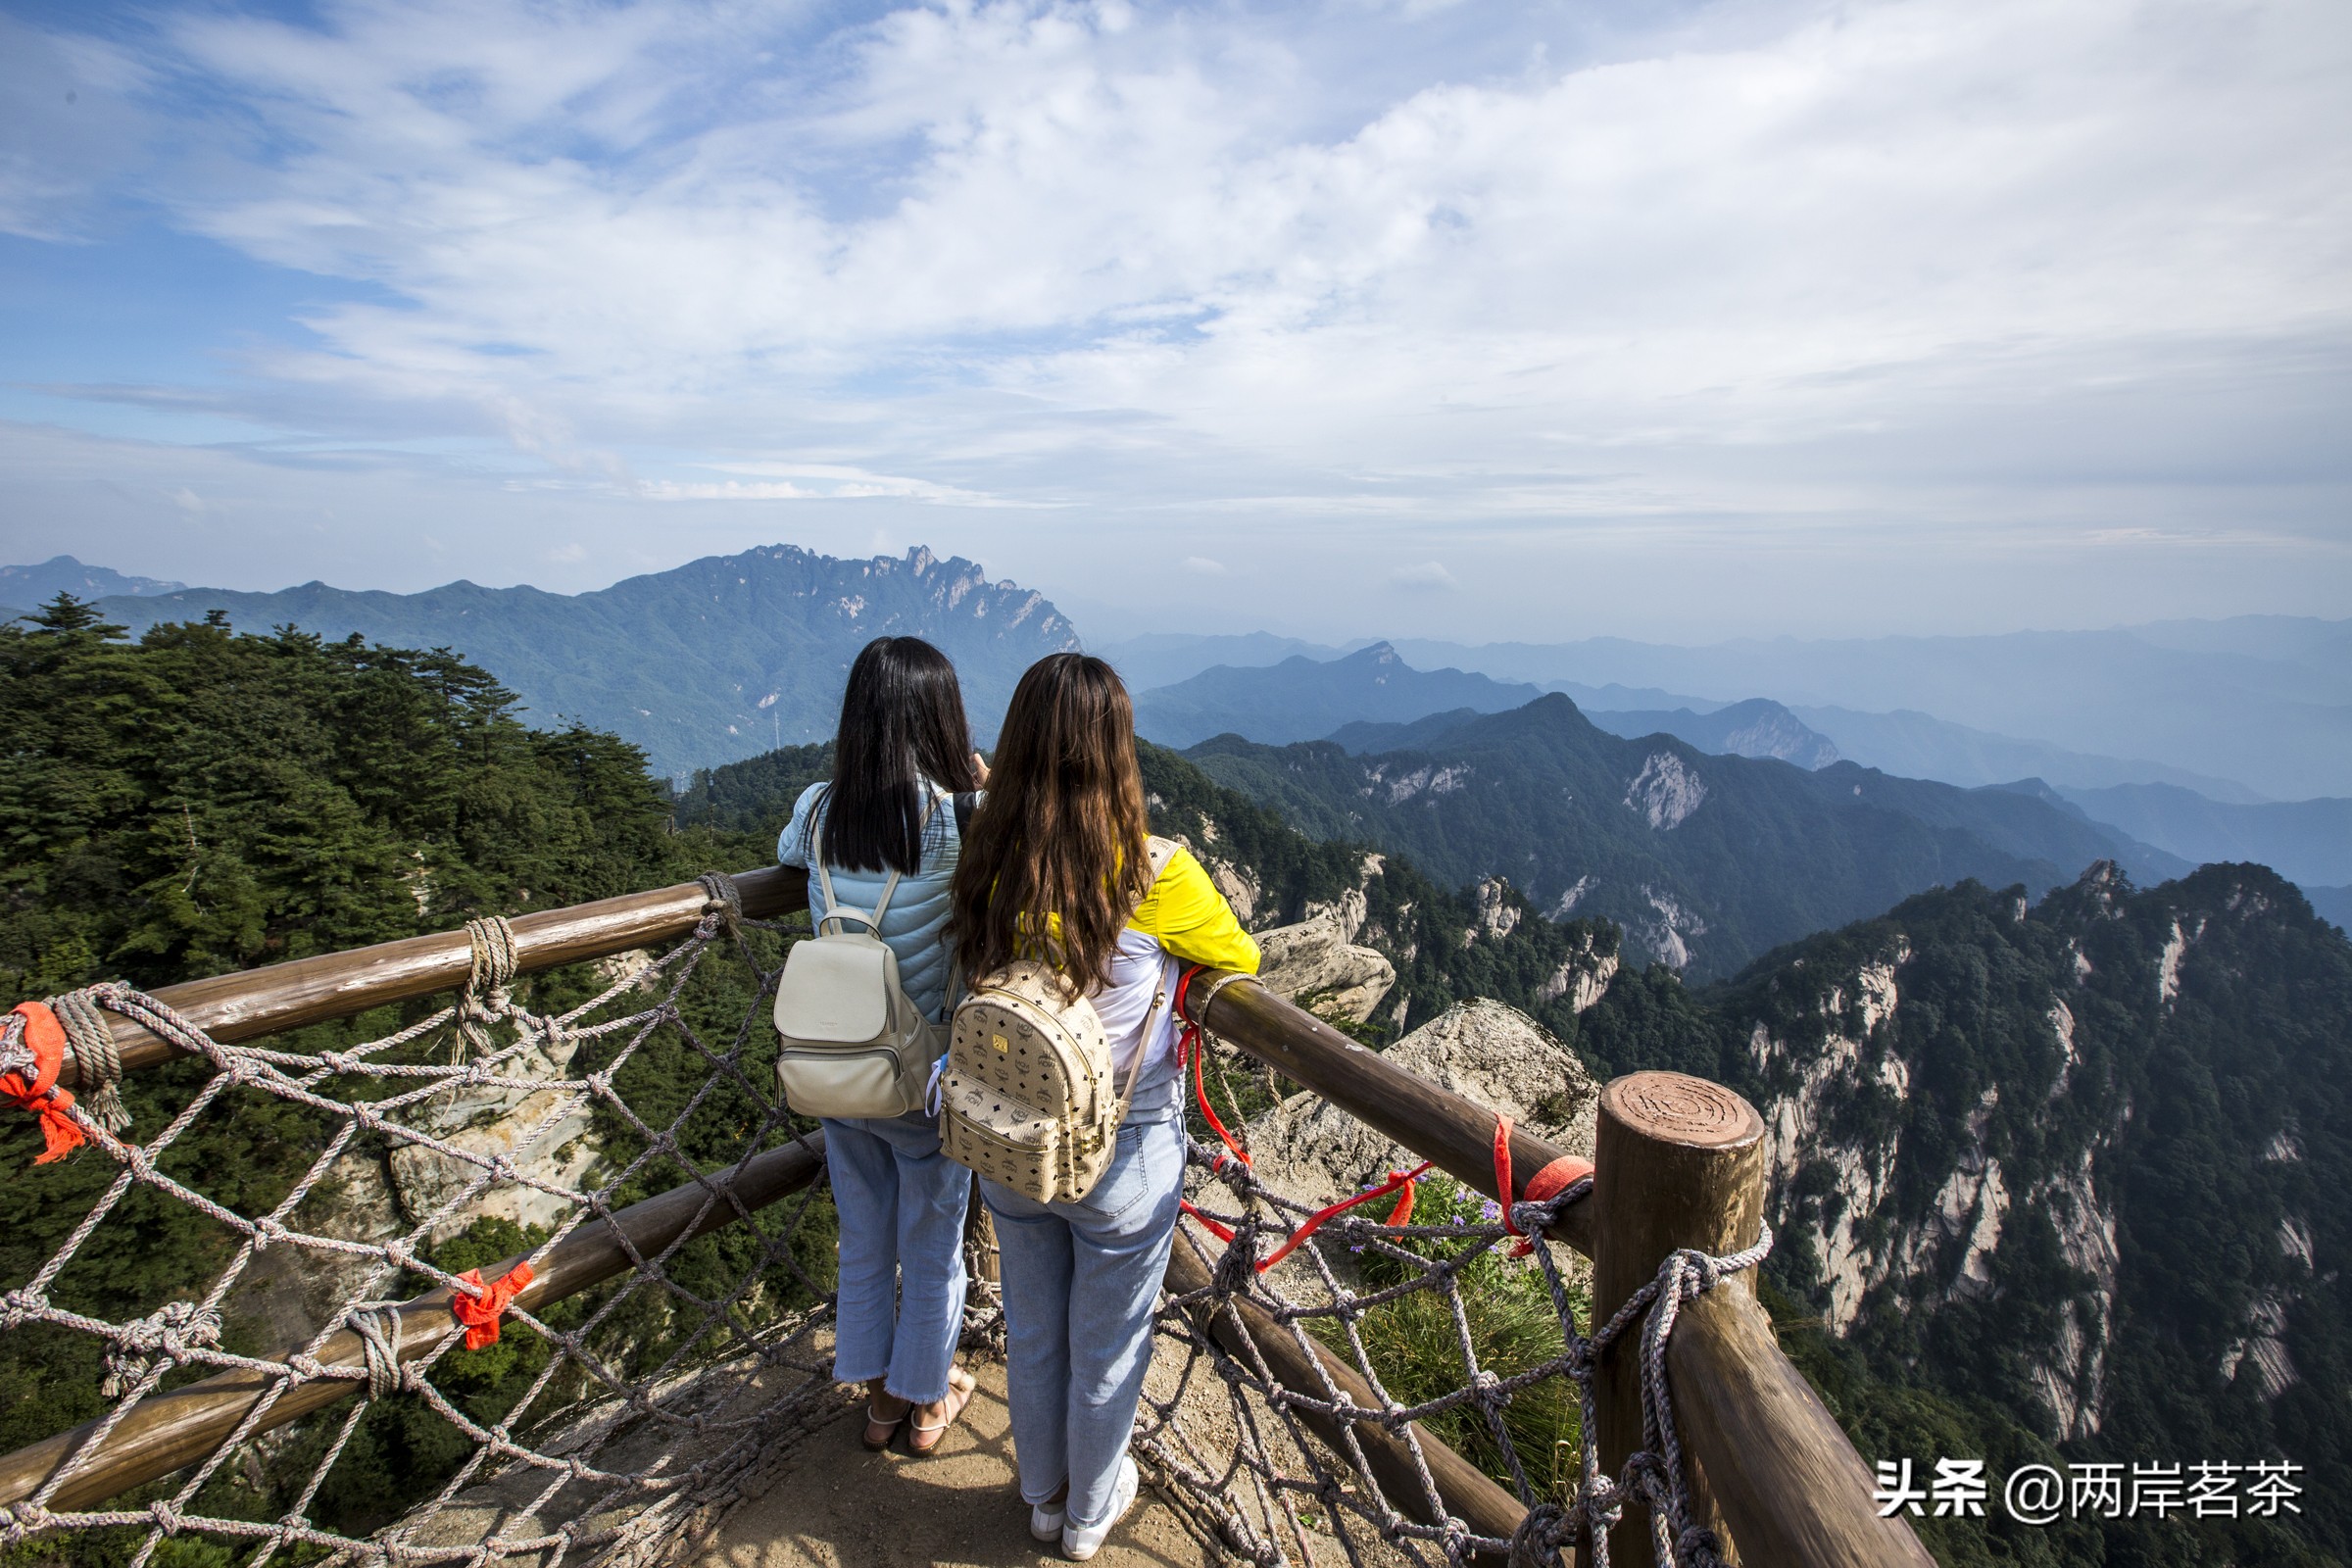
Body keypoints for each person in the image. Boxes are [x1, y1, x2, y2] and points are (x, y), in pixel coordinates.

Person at [950, 653, 1259, 1560]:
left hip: (1010, 1134)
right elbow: (1241, 960)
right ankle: (1088, 1517)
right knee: (1110, 1346)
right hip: (1124, 1146)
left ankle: (1042, 1499)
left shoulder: (988, 855)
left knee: (1036, 1331)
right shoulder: (1157, 873)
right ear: (1116, 752)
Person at [776, 636, 989, 1455]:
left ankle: (875, 1403)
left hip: (835, 1069)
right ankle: (927, 1403)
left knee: (864, 1240)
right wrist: (984, 785)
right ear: (940, 717)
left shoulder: (818, 809)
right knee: (932, 1248)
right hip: (923, 1076)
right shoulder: (956, 818)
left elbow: (785, 856)